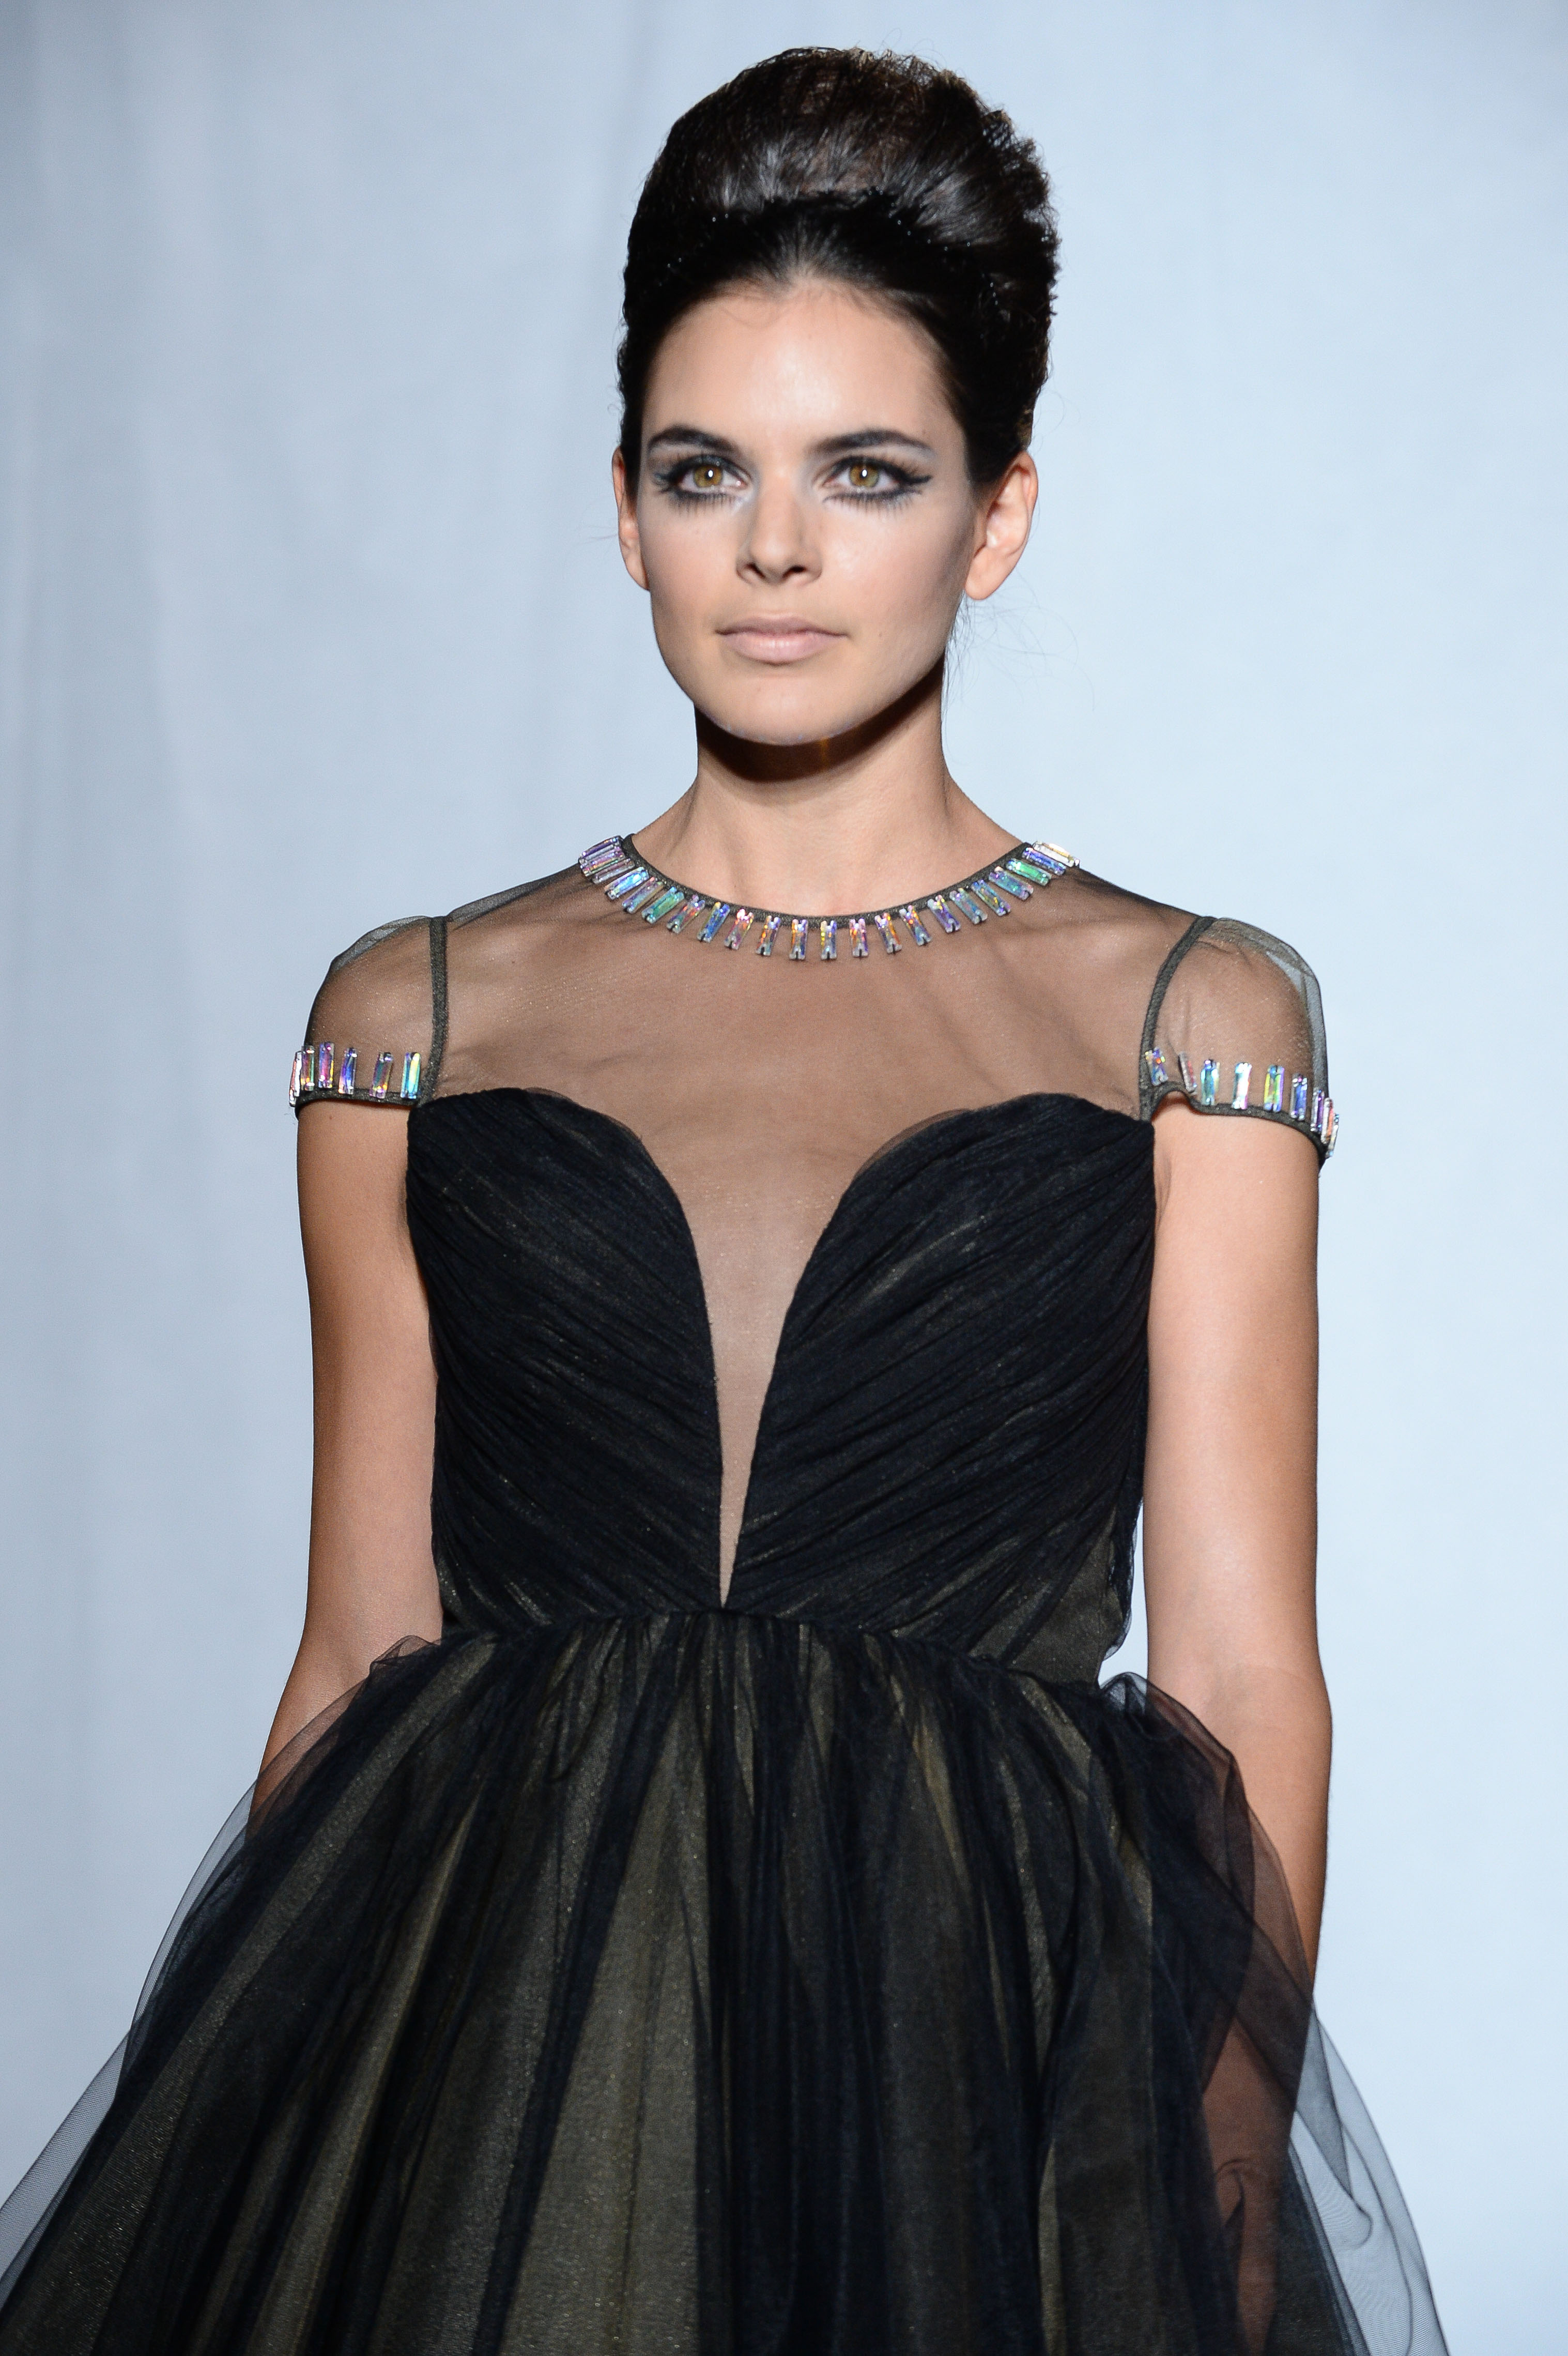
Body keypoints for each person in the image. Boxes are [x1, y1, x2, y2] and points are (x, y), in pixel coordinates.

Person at [0, 47, 1445, 2356]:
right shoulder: (416, 1015)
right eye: (707, 473)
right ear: (627, 513)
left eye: (866, 473)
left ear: (997, 517)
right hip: (491, 2045)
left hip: (974, 2050)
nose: (775, 547)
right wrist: (250, 2137)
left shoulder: (1189, 1020)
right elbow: (360, 1651)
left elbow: (1242, 1670)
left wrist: (1225, 2156)